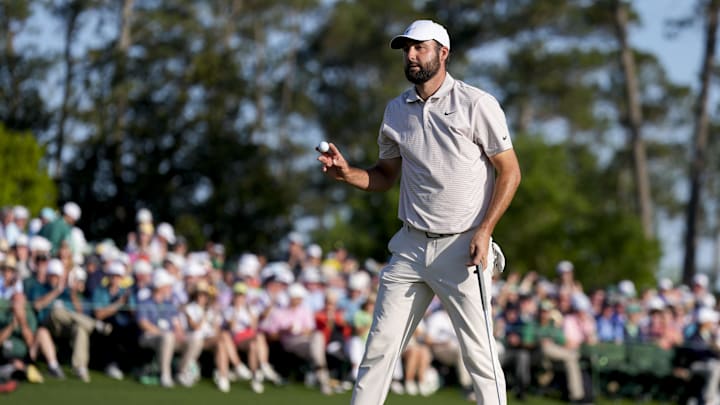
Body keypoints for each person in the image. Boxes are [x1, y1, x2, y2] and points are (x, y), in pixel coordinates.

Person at [316, 19, 520, 405]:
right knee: (379, 349)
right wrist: (347, 174)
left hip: (463, 247)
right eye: (406, 49)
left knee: (480, 356)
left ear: (443, 53)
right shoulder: (396, 111)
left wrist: (485, 231)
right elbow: (383, 176)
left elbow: (509, 171)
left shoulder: (476, 104)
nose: (411, 55)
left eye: (419, 47)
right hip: (409, 246)